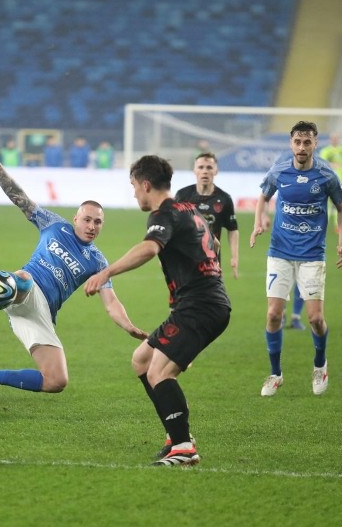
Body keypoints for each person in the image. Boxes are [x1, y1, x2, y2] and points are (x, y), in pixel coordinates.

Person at [0, 141, 145, 395]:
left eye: (98, 222)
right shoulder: (55, 225)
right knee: (24, 278)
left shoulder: (98, 261)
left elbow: (111, 303)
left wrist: (129, 326)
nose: (92, 226)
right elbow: (19, 198)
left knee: (56, 381)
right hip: (26, 288)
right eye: (87, 219)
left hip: (39, 314)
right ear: (76, 219)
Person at [84, 155, 231, 467]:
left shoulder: (164, 212)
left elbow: (150, 248)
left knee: (159, 373)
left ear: (145, 184)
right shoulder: (188, 208)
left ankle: (184, 447)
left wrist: (105, 273)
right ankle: (173, 433)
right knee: (141, 360)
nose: (135, 193)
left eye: (134, 187)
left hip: (199, 306)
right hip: (201, 303)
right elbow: (214, 248)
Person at [250, 121, 342, 398]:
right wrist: (260, 222)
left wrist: (341, 243)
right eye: (297, 142)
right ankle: (275, 374)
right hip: (280, 251)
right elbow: (263, 197)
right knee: (273, 314)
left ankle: (320, 365)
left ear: (316, 143)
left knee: (316, 319)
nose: (302, 147)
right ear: (291, 143)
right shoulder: (279, 171)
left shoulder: (326, 175)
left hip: (311, 255)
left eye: (307, 142)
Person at [174, 152, 240, 279]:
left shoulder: (224, 199)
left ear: (216, 171)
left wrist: (234, 257)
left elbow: (233, 229)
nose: (205, 171)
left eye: (209, 167)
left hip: (212, 263)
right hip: (186, 261)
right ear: (194, 170)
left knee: (213, 298)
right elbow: (172, 226)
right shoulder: (182, 196)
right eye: (201, 167)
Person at [319, 132, 342, 227]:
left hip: (339, 180)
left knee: (338, 202)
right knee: (327, 203)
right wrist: (331, 165)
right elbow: (321, 164)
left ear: (338, 140)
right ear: (330, 140)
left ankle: (338, 225)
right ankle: (323, 223)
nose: (334, 140)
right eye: (333, 138)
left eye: (336, 138)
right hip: (327, 181)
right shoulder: (325, 151)